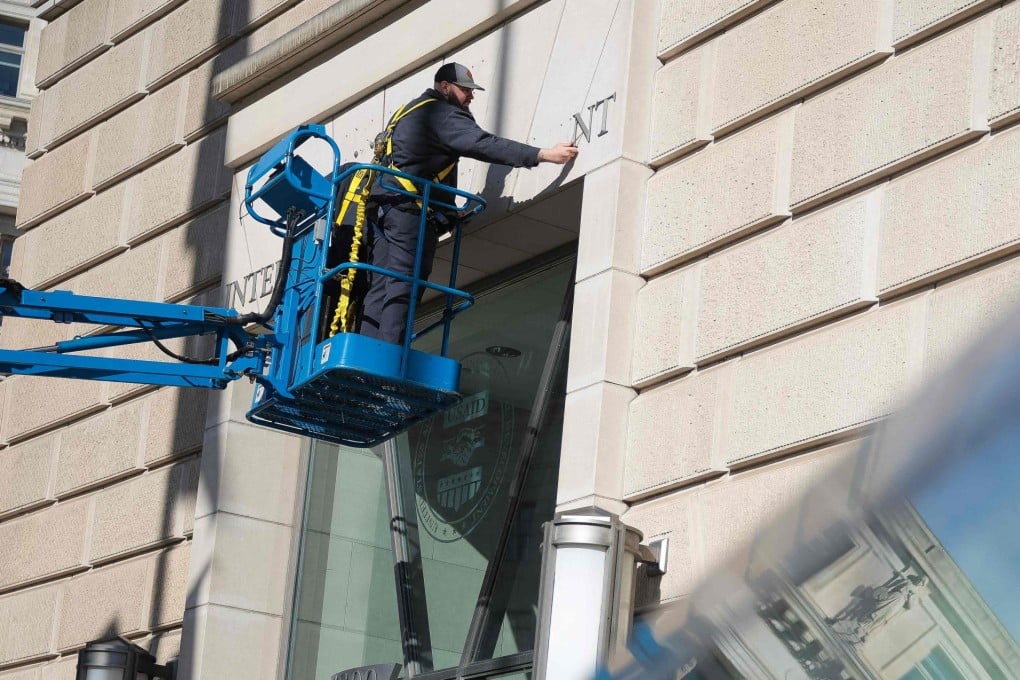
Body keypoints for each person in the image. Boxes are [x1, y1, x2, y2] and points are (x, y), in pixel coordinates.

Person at [360, 62, 578, 344]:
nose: (470, 96)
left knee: (380, 284)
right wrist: (543, 154)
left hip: (385, 208)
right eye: (465, 90)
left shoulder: (410, 110)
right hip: (408, 212)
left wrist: (449, 213)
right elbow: (483, 143)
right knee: (406, 282)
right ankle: (387, 356)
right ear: (445, 87)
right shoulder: (442, 114)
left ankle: (365, 351)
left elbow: (422, 163)